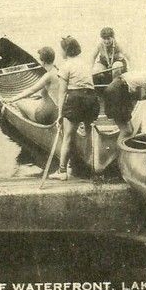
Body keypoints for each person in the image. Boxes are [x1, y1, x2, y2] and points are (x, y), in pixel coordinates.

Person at [49, 36, 100, 181]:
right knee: (89, 134)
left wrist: (60, 114)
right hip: (91, 99)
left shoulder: (65, 66)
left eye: (61, 50)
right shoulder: (85, 64)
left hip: (76, 98)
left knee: (68, 136)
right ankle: (91, 168)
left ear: (66, 50)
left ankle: (62, 171)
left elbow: (62, 92)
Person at [14, 46, 59, 125]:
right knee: (35, 102)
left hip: (44, 115)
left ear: (43, 62)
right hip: (56, 114)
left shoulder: (48, 76)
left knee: (19, 102)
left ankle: (28, 124)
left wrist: (12, 98)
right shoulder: (58, 70)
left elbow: (31, 90)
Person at [102, 67, 146, 139]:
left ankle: (122, 144)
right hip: (117, 91)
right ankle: (119, 148)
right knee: (126, 131)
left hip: (116, 87)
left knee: (130, 130)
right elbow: (143, 96)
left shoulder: (144, 75)